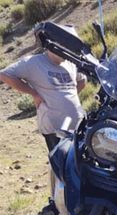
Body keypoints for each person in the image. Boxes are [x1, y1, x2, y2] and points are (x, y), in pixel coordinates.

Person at [0, 24, 86, 152]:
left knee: (80, 165)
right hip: (54, 128)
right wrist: (33, 93)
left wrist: (69, 98)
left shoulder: (70, 63)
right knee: (61, 165)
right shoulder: (34, 62)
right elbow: (5, 75)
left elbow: (82, 80)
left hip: (77, 125)